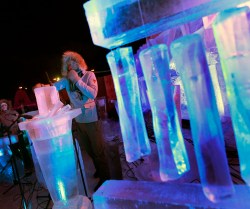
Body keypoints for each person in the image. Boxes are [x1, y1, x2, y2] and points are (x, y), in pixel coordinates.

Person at [35, 50, 110, 191]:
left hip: (91, 119)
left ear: (79, 62)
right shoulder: (67, 80)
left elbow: (92, 94)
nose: (71, 65)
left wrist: (77, 80)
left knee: (98, 151)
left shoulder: (89, 75)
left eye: (74, 61)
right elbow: (53, 87)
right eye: (69, 63)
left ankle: (106, 179)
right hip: (78, 120)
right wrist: (43, 87)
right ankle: (100, 171)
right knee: (89, 150)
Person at [0, 99, 33, 175]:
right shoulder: (1, 116)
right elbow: (6, 124)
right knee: (15, 152)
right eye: (2, 106)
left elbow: (20, 121)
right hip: (10, 136)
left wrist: (19, 120)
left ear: (7, 105)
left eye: (5, 105)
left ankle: (28, 166)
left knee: (23, 150)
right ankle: (22, 166)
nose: (4, 107)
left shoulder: (14, 113)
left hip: (18, 133)